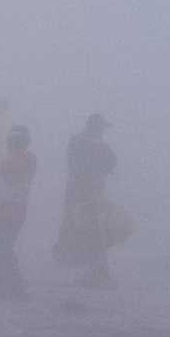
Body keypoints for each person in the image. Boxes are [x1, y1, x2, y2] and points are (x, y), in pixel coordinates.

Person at [53, 113, 118, 288]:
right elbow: (111, 164)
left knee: (83, 229)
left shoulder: (77, 141)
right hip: (90, 193)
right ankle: (97, 271)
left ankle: (94, 270)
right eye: (102, 128)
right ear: (96, 128)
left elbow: (73, 165)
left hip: (78, 192)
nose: (103, 132)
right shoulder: (98, 146)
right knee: (93, 230)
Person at [0, 124, 38, 299]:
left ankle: (13, 285)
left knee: (3, 247)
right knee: (3, 247)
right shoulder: (28, 159)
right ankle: (7, 283)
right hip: (15, 209)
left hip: (9, 209)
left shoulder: (18, 160)